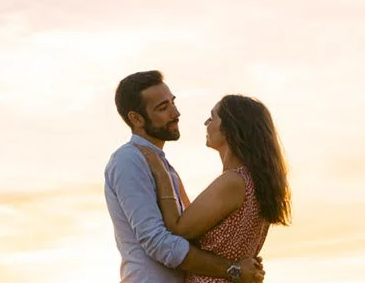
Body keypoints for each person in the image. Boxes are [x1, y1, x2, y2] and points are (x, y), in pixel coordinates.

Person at [104, 71, 264, 282]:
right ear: (136, 118)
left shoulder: (163, 167)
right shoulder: (129, 160)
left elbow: (191, 232)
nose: (176, 113)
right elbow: (158, 242)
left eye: (172, 102)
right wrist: (232, 269)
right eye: (163, 108)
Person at [136, 94, 291, 283]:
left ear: (230, 128)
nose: (206, 123)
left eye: (213, 117)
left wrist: (161, 175)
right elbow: (198, 221)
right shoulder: (253, 182)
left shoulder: (233, 181)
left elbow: (178, 229)